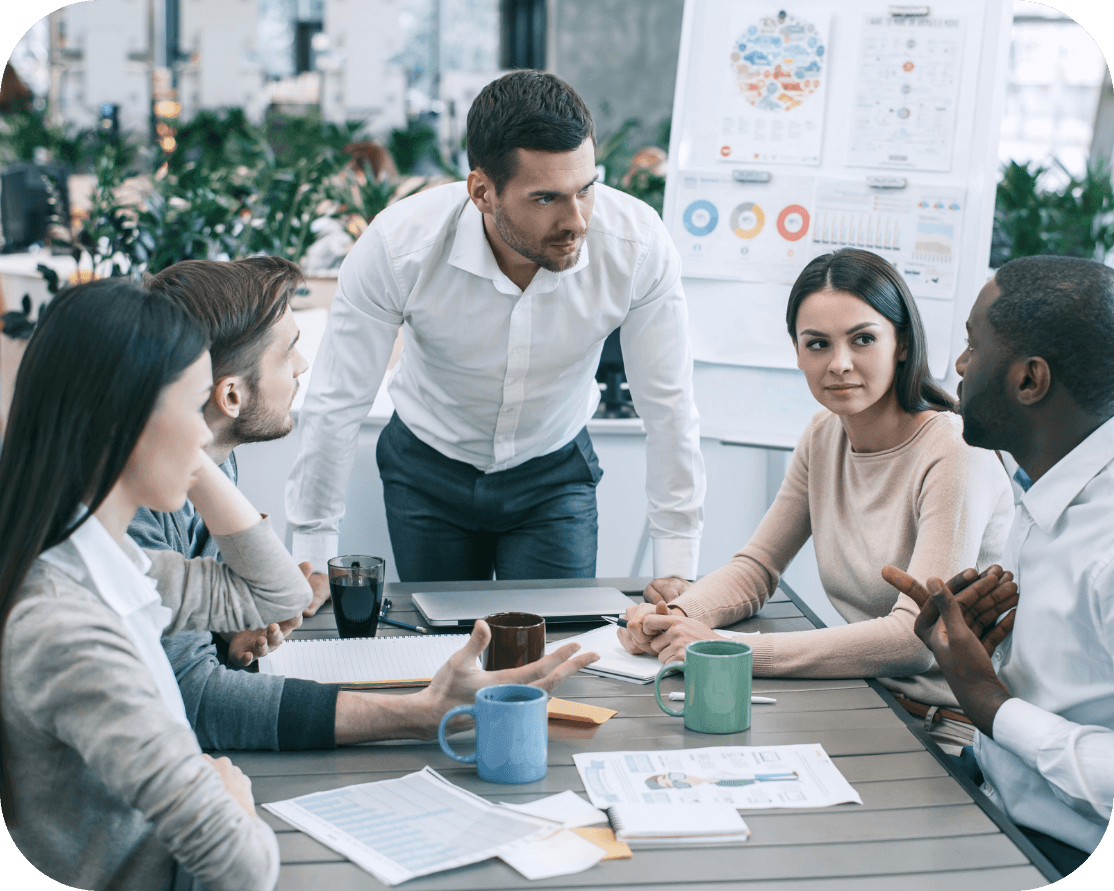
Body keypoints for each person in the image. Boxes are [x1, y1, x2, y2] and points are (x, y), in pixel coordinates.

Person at [141, 258, 598, 750]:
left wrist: (224, 634)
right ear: (230, 396)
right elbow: (192, 699)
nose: (302, 365)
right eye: (288, 351)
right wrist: (422, 714)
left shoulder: (210, 462)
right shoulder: (140, 507)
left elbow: (180, 634)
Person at [286, 69, 705, 584]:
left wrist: (678, 567)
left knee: (555, 633)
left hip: (552, 472)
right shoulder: (398, 248)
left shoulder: (636, 246)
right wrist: (311, 554)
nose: (577, 221)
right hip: (426, 468)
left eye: (586, 189)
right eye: (546, 198)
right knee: (439, 631)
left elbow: (669, 406)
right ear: (482, 192)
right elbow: (337, 401)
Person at [619, 249, 1015, 747]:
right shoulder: (824, 435)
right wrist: (677, 617)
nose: (839, 364)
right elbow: (757, 568)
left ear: (901, 343)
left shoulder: (954, 451)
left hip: (944, 727)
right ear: (798, 351)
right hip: (865, 702)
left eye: (863, 339)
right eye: (818, 344)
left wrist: (725, 648)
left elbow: (915, 637)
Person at [0, 278, 311, 891]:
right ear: (128, 422)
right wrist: (228, 795)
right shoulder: (65, 629)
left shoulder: (115, 564)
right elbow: (244, 865)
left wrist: (185, 457)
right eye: (194, 408)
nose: (205, 434)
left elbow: (279, 596)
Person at [905, 255, 1114, 875]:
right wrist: (973, 655)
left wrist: (990, 703)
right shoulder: (1049, 480)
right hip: (991, 799)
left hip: (1066, 857)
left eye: (973, 346)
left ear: (1029, 380)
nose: (959, 366)